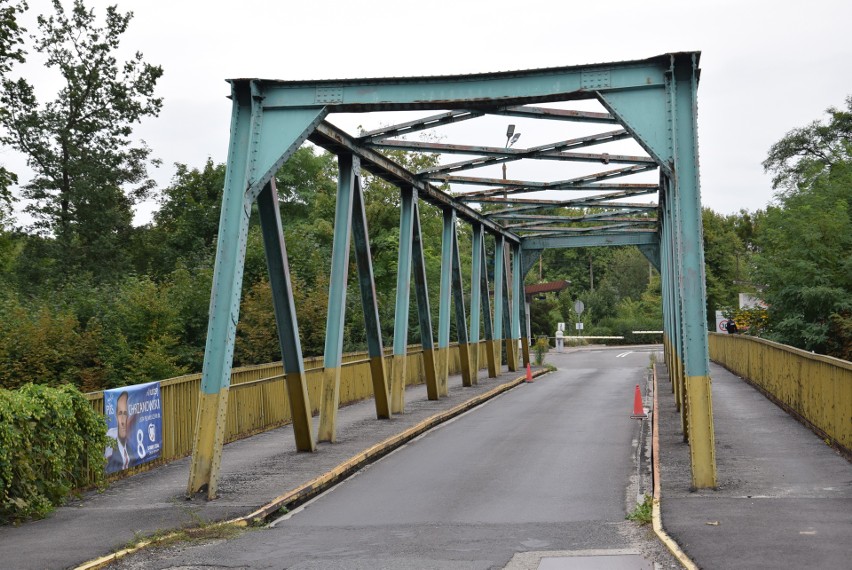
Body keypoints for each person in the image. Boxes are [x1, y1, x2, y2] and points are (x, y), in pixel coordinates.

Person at [105, 391, 134, 473]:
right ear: (116, 416)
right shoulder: (110, 449)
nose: (123, 421)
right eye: (120, 413)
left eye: (125, 414)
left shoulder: (131, 451)